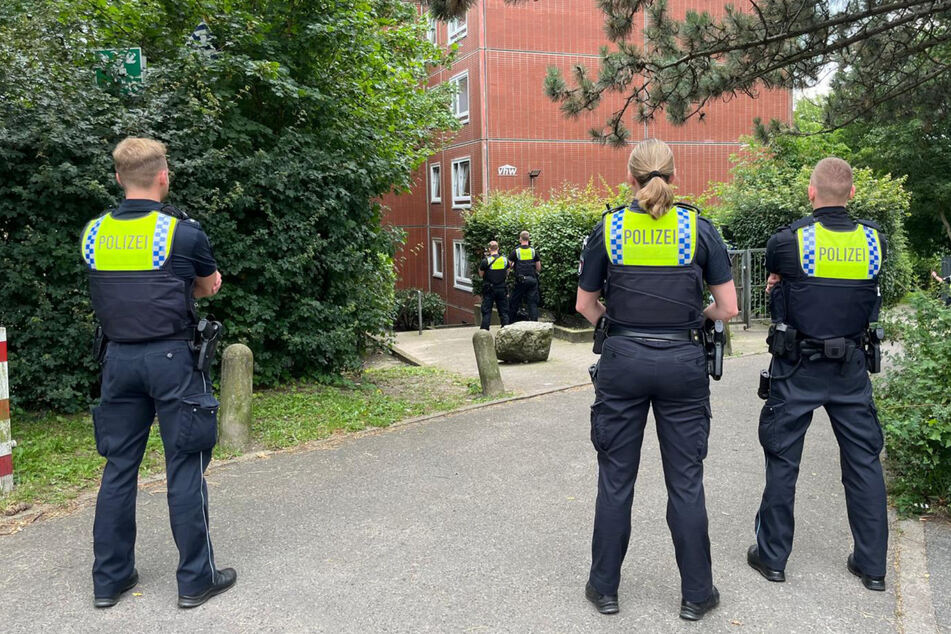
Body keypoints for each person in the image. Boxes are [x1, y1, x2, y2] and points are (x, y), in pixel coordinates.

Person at [576, 138, 738, 621]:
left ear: (630, 178)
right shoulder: (699, 229)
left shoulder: (608, 228)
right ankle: (696, 594)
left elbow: (585, 306)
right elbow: (728, 308)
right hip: (682, 360)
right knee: (686, 482)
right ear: (674, 174)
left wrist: (619, 325)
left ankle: (604, 589)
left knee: (615, 481)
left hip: (623, 359)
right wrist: (695, 318)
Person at [82, 138, 236, 609]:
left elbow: (116, 285)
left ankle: (110, 580)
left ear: (117, 179)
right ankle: (195, 580)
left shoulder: (94, 232)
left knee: (119, 469)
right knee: (184, 466)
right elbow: (207, 286)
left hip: (117, 362)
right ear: (163, 176)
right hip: (173, 361)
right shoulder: (182, 234)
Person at [748, 157, 889, 592]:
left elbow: (781, 282)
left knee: (783, 459)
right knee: (864, 461)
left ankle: (772, 558)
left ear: (812, 193)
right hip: (850, 367)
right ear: (851, 194)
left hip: (798, 366)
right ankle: (872, 566)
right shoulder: (875, 241)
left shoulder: (788, 242)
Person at [508, 231, 541, 322]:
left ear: (520, 239)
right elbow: (538, 268)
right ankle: (534, 324)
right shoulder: (533, 251)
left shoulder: (516, 251)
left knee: (514, 301)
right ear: (529, 239)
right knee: (532, 303)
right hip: (532, 280)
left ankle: (511, 322)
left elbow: (509, 265)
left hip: (521, 280)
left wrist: (513, 265)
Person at [478, 241, 510, 330]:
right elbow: (507, 272)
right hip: (502, 288)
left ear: (489, 249)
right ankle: (506, 330)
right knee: (504, 311)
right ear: (498, 249)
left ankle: (484, 332)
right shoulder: (504, 260)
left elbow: (481, 274)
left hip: (489, 289)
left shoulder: (486, 261)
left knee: (487, 311)